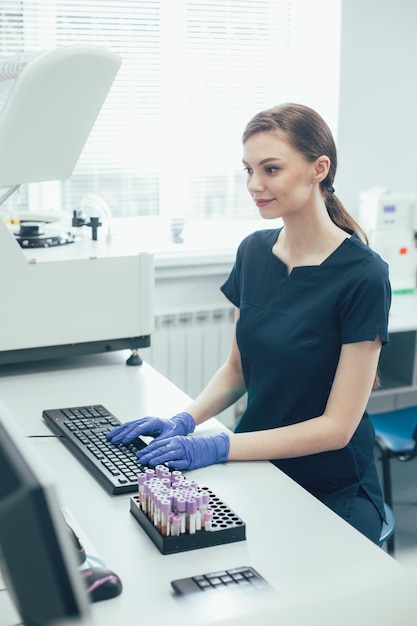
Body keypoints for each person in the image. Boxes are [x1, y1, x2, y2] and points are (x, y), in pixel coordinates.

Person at [107, 103, 391, 544]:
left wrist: (219, 446)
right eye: (248, 170)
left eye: (271, 169)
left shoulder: (363, 275)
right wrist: (185, 419)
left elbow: (337, 428)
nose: (254, 185)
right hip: (256, 462)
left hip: (332, 485)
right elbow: (237, 369)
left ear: (319, 169)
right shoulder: (254, 252)